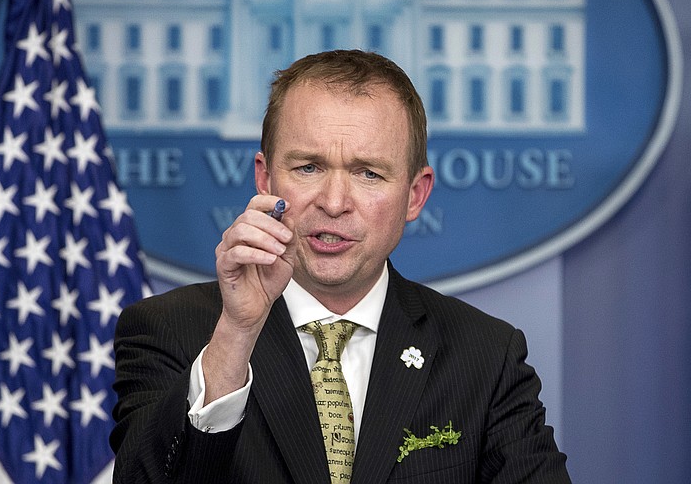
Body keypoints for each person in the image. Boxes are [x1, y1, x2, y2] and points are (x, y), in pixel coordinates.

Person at [110, 49, 571, 483]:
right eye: (308, 167)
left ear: (415, 195)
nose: (333, 203)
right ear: (265, 178)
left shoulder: (486, 357)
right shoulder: (166, 331)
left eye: (368, 173)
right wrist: (237, 332)